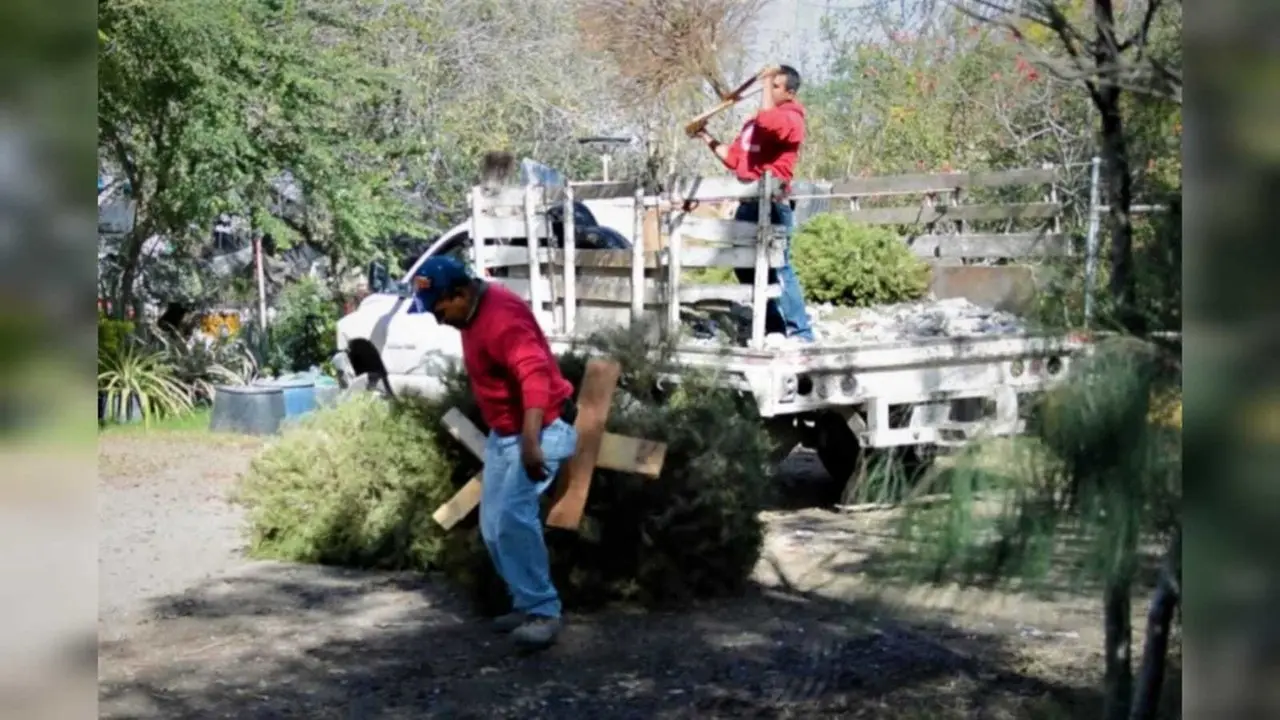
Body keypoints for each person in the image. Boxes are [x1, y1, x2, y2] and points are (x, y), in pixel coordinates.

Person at [407, 255, 577, 650]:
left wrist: (532, 441)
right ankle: (524, 602)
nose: (438, 319)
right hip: (508, 435)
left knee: (515, 519)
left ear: (461, 293)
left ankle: (544, 613)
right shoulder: (470, 313)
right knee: (493, 525)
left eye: (440, 309)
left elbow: (534, 375)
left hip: (542, 430)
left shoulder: (502, 318)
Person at [694, 64, 816, 343]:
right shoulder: (753, 124)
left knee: (779, 266)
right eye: (769, 85)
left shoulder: (791, 117)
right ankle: (774, 329)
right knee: (744, 266)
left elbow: (769, 122)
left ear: (790, 93)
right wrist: (705, 136)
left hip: (772, 205)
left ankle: (802, 334)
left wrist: (763, 84)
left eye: (775, 86)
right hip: (748, 204)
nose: (769, 90)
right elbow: (736, 160)